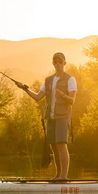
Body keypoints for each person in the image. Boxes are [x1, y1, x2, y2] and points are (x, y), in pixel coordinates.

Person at [16, 52, 77, 180]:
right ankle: (58, 175)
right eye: (56, 61)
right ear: (53, 63)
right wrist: (24, 88)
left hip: (63, 116)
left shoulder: (70, 79)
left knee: (61, 144)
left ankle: (64, 177)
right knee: (54, 146)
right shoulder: (48, 80)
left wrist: (63, 96)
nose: (58, 64)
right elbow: (38, 97)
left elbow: (72, 100)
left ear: (64, 63)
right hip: (51, 117)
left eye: (60, 61)